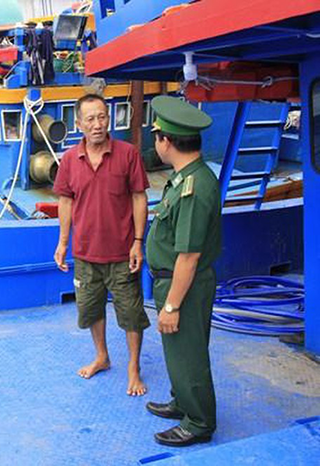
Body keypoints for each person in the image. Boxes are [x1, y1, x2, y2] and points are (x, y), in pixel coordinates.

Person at [53, 93, 150, 396]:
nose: (97, 124)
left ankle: (133, 368)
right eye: (90, 119)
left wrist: (138, 241)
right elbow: (65, 201)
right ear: (79, 124)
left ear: (109, 119)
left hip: (122, 252)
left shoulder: (127, 154)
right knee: (91, 308)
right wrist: (63, 243)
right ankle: (102, 356)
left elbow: (139, 197)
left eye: (102, 117)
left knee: (131, 313)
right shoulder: (70, 159)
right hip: (85, 253)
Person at [145, 95, 221, 446]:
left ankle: (199, 422)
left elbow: (188, 256)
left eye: (157, 136)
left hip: (183, 285)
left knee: (189, 354)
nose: (156, 142)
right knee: (178, 351)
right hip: (174, 281)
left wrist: (172, 305)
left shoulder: (193, 187)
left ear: (167, 141)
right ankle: (183, 402)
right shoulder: (185, 178)